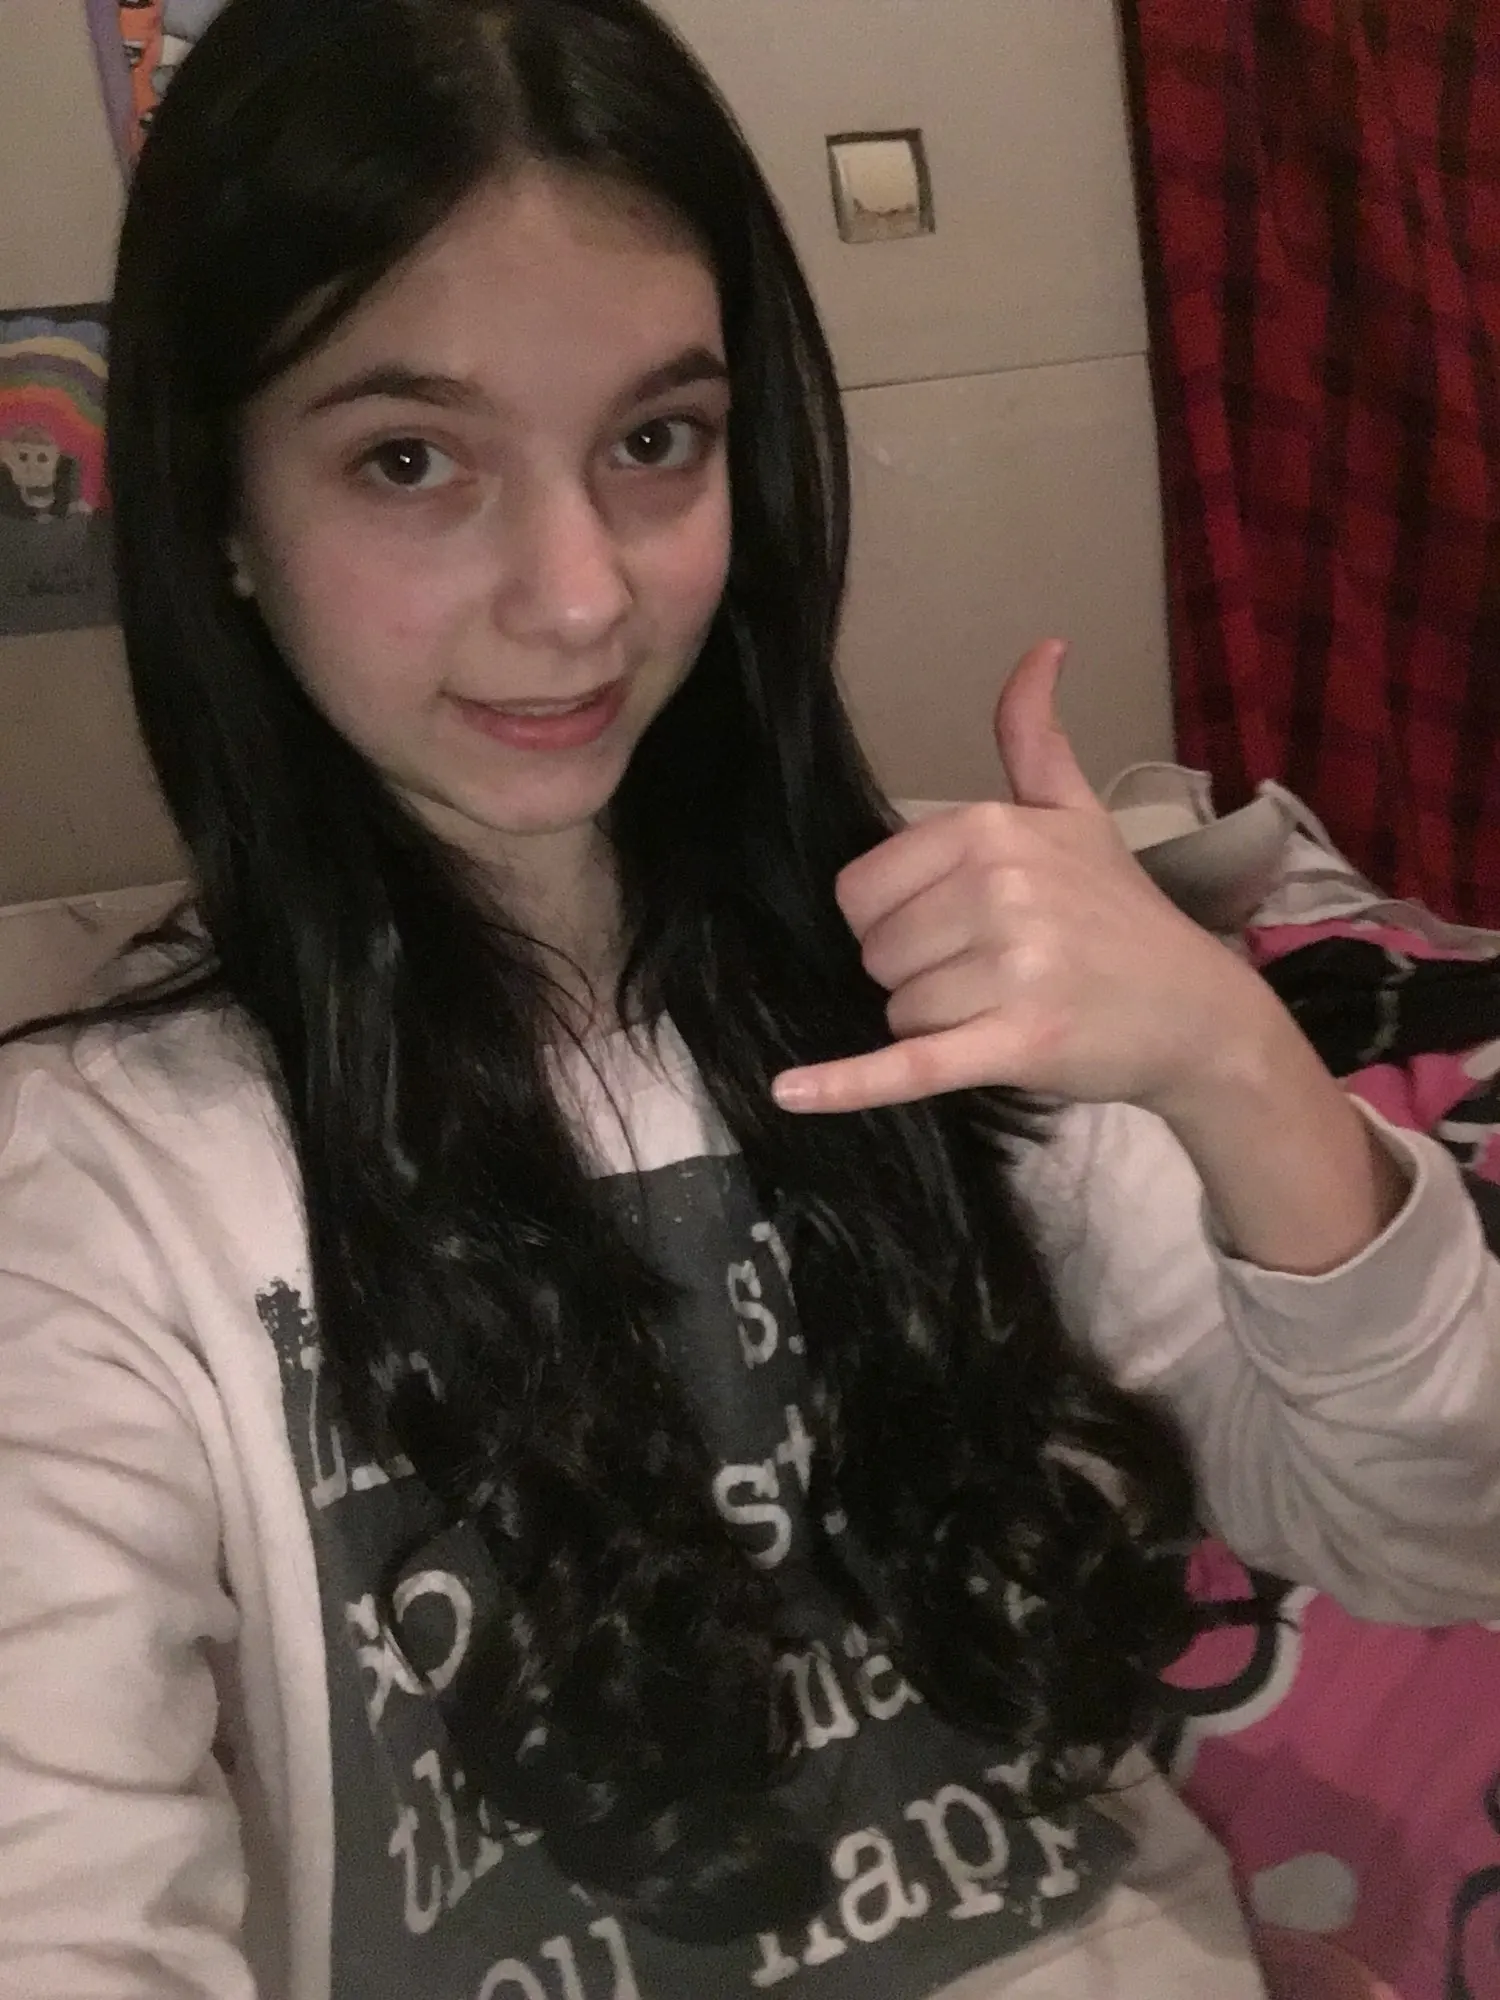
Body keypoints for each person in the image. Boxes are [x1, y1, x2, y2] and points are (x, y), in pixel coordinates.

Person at [1, 1, 1497, 1994]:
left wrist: (1235, 1060)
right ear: (222, 515)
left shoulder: (949, 976)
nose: (582, 595)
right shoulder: (94, 1200)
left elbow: (1439, 1535)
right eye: (410, 458)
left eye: (655, 441)